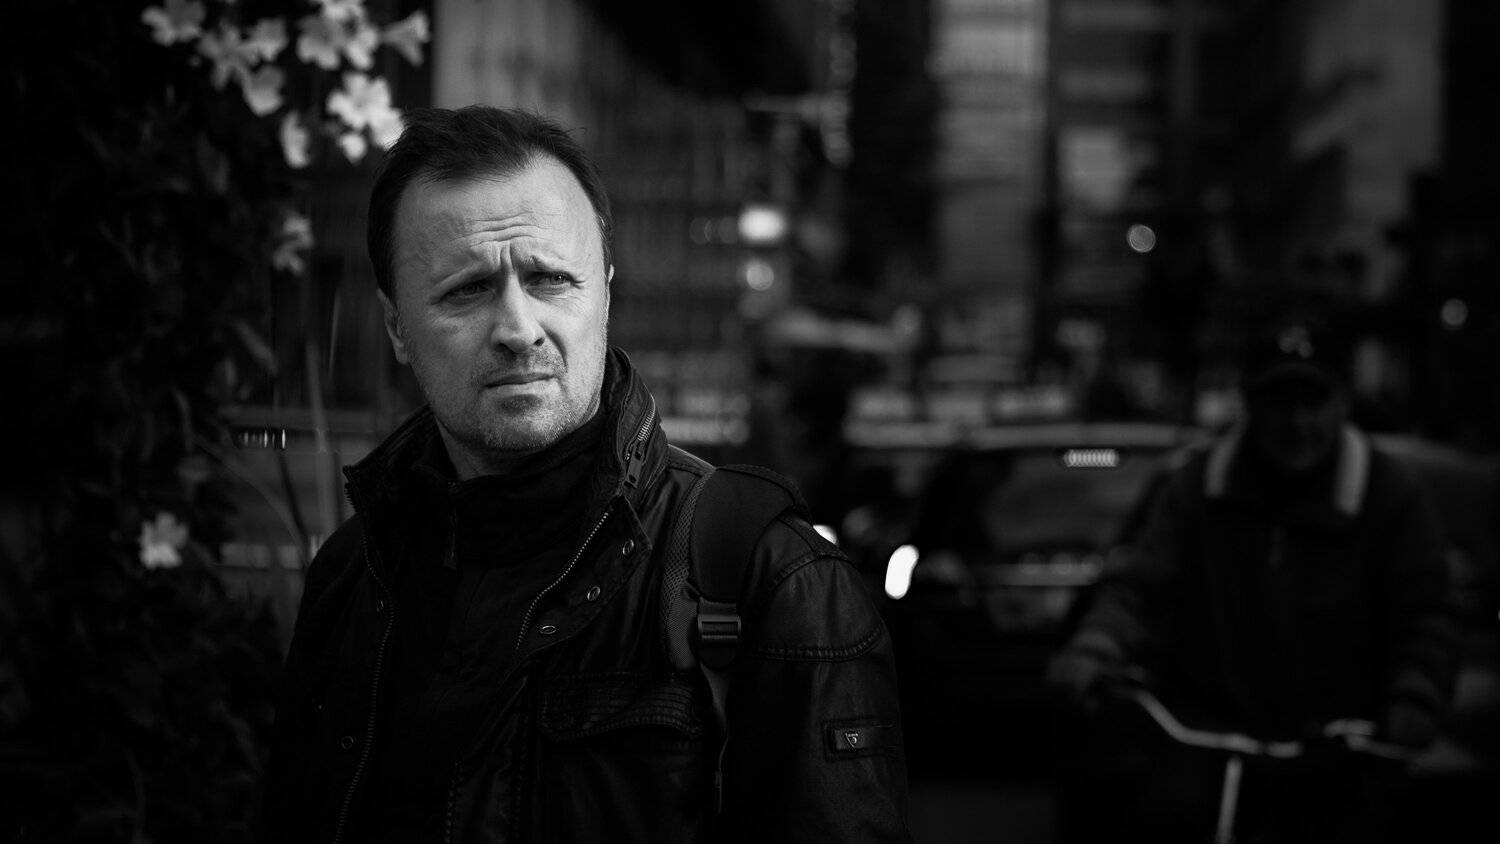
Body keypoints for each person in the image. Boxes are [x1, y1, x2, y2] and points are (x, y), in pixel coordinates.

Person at [257, 106, 911, 843]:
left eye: (550, 279)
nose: (518, 329)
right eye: (466, 290)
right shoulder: (352, 575)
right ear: (395, 328)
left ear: (604, 293)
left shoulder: (771, 581)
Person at [1047, 314, 1461, 842]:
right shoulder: (1197, 485)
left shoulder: (1390, 494)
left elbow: (1427, 609)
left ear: (1342, 403)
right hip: (1211, 746)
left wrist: (1414, 698)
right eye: (1278, 403)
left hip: (1344, 754)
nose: (1296, 423)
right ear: (1250, 403)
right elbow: (1140, 583)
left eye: (1313, 402)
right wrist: (1096, 648)